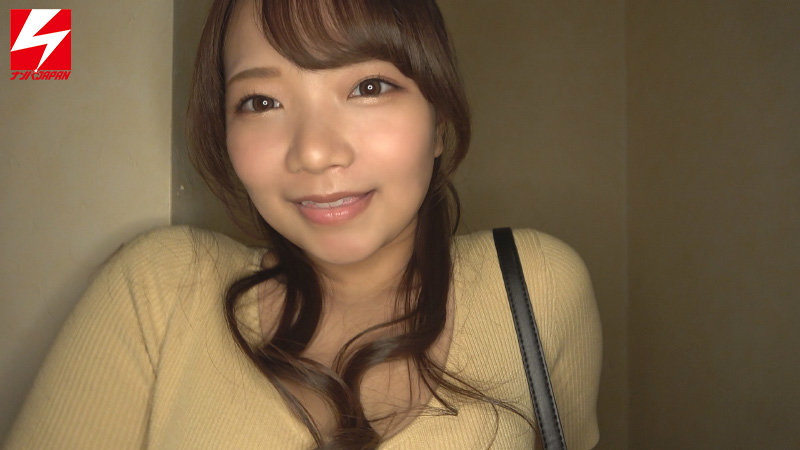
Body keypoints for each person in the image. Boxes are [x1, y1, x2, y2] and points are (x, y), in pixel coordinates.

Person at [5, 0, 601, 448]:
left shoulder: (535, 285)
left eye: (368, 86)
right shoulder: (159, 289)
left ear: (438, 122)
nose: (314, 152)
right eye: (262, 102)